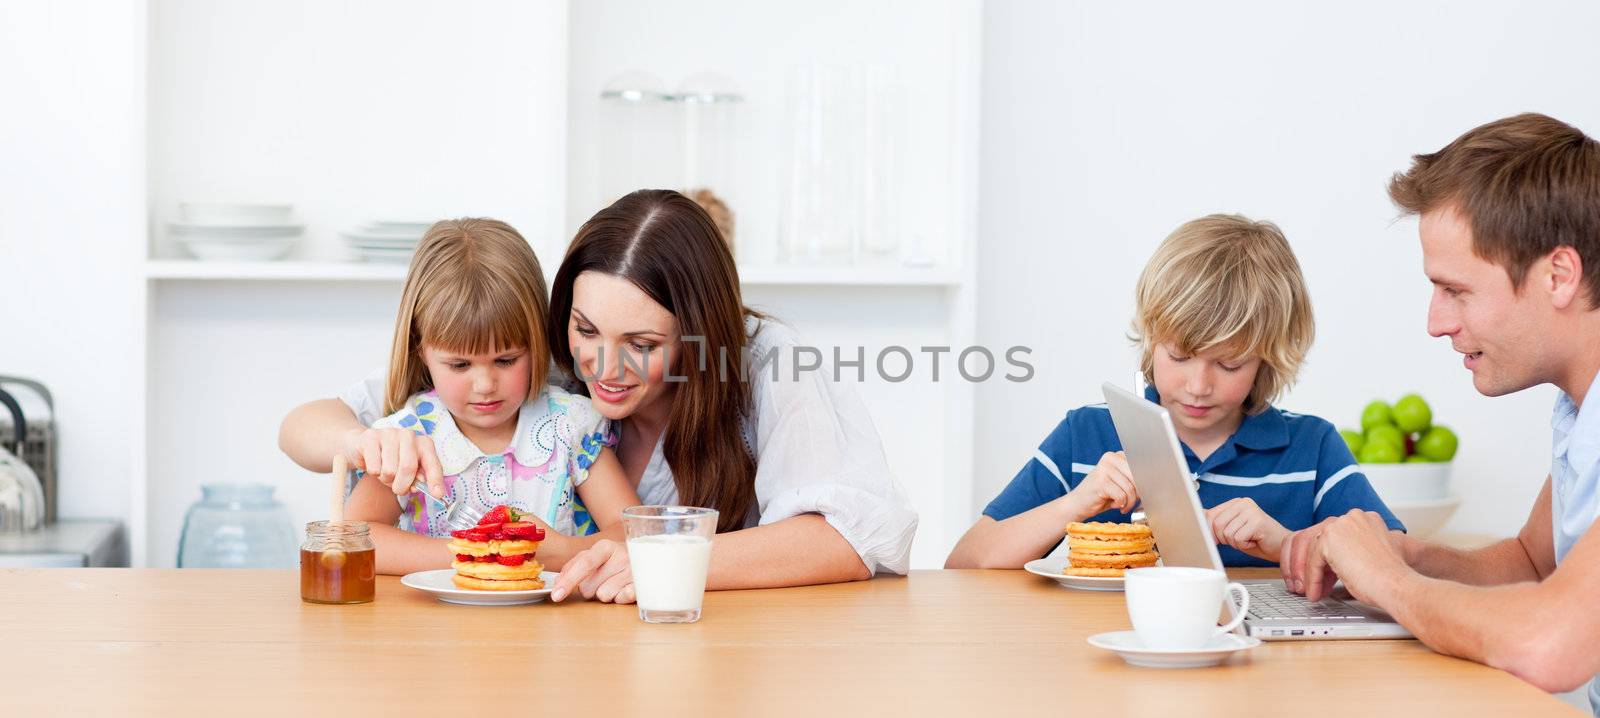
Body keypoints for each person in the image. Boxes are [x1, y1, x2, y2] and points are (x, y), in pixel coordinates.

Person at [279, 190, 917, 601]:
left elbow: (844, 540)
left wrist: (659, 563)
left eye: (641, 343)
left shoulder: (765, 363)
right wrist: (362, 443)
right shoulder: (532, 367)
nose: (602, 367)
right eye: (586, 330)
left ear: (699, 336)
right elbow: (311, 428)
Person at [1283, 113, 1600, 708]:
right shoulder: (1580, 409)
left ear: (1559, 275)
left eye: (1456, 290)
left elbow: (1549, 642)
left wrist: (1389, 581)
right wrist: (1408, 554)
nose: (1437, 323)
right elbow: (1534, 564)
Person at [946, 214, 1403, 569]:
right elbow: (967, 560)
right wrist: (1078, 502)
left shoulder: (1312, 449)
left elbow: (1396, 562)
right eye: (1179, 356)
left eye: (1229, 363)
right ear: (1149, 336)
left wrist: (1284, 544)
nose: (1198, 386)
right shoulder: (1088, 434)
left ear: (1269, 355)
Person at [338, 218, 640, 576]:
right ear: (421, 351)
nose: (484, 385)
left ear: (537, 344)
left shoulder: (571, 426)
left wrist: (552, 553)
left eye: (506, 360)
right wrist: (479, 554)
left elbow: (633, 533)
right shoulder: (407, 438)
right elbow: (353, 537)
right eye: (460, 364)